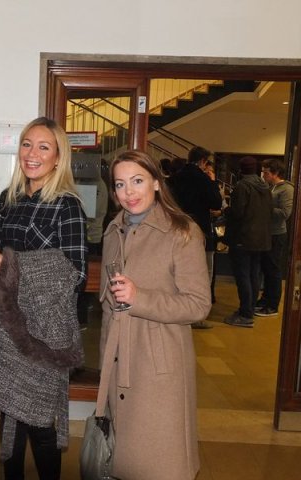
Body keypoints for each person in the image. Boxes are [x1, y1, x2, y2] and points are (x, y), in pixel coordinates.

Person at [0, 117, 87, 480]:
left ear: (58, 157)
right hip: (7, 321)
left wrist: (11, 264)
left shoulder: (67, 205)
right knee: (10, 407)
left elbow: (76, 273)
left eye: (43, 147)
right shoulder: (9, 198)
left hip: (45, 331)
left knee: (40, 420)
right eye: (27, 144)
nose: (32, 154)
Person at [99, 150, 212, 479]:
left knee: (159, 463)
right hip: (119, 360)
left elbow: (198, 304)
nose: (128, 192)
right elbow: (107, 306)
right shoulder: (113, 231)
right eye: (120, 184)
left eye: (137, 181)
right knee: (122, 461)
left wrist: (140, 298)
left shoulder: (182, 232)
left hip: (158, 368)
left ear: (157, 183)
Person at [167, 146, 223, 329]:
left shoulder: (175, 178)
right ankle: (196, 315)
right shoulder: (203, 179)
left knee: (176, 271)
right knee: (203, 271)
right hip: (199, 229)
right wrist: (212, 182)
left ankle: (177, 310)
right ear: (203, 161)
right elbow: (216, 203)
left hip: (175, 228)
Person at [223, 156, 272, 328]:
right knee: (253, 274)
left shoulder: (242, 186)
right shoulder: (265, 187)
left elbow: (238, 213)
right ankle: (249, 309)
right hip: (261, 238)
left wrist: (225, 209)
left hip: (243, 237)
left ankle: (245, 314)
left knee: (243, 275)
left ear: (241, 169)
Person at [254, 158, 294, 317]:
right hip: (267, 233)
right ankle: (265, 300)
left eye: (266, 172)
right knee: (266, 269)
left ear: (276, 173)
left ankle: (272, 305)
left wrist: (264, 207)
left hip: (276, 234)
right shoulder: (271, 187)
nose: (263, 175)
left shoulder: (286, 189)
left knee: (273, 270)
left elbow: (285, 213)